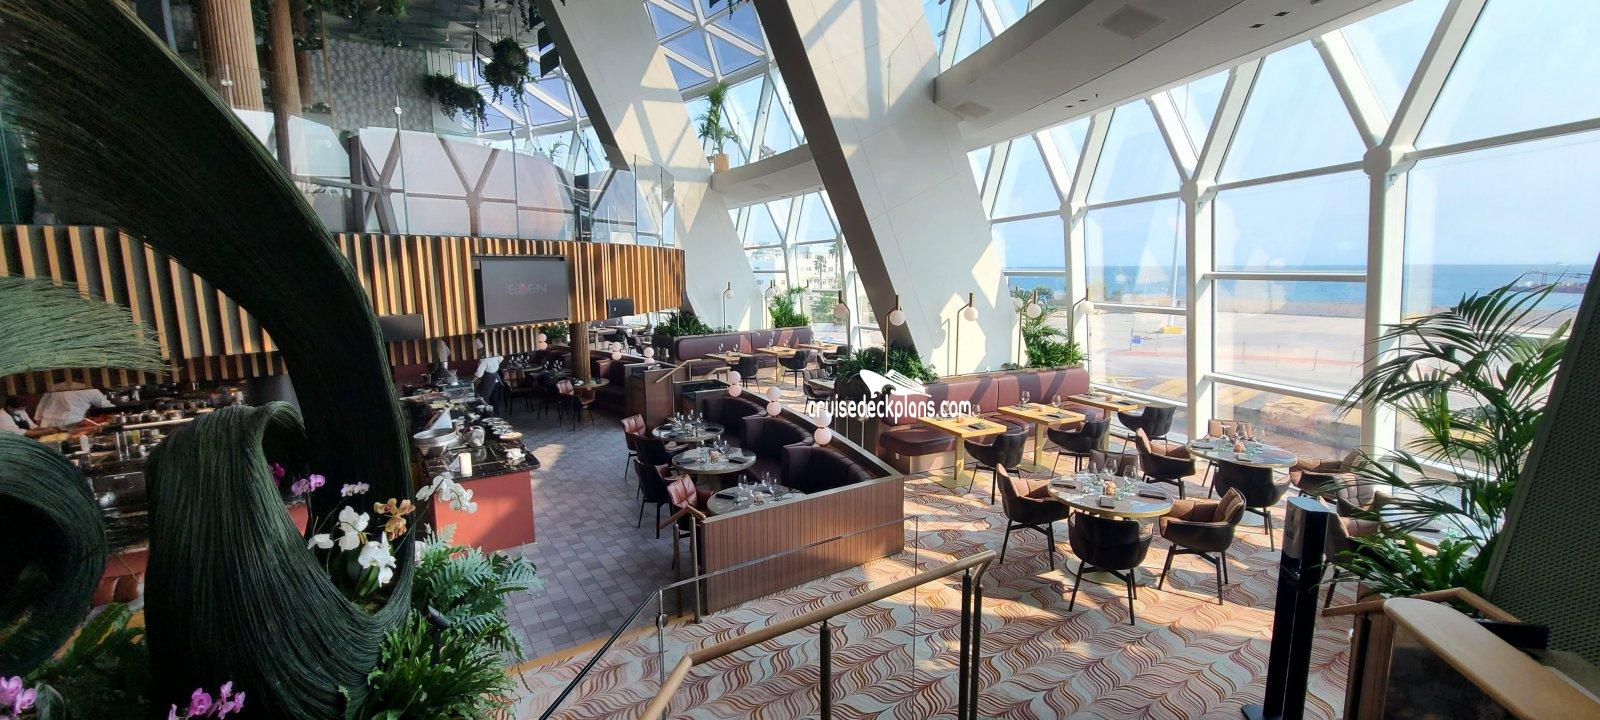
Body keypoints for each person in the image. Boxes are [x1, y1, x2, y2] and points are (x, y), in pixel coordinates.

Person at [34, 376, 113, 428]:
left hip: (47, 424)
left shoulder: (53, 387)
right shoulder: (90, 389)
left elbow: (39, 412)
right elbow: (109, 409)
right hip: (73, 424)